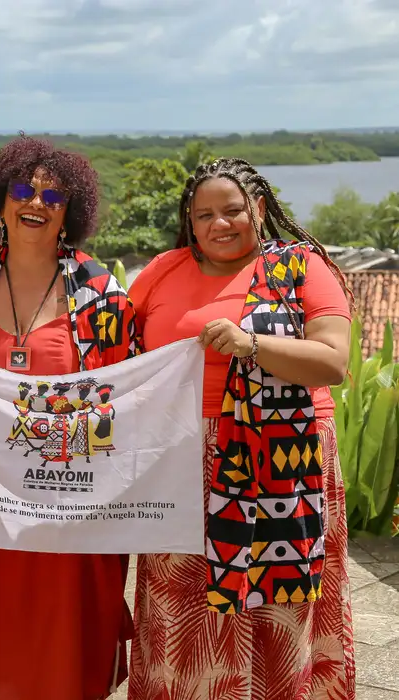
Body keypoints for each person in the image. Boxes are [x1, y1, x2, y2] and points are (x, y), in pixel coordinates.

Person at [0, 136, 138, 700]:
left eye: (52, 195)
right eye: (21, 189)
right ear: (1, 202)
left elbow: (125, 399)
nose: (35, 202)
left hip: (69, 507)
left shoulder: (103, 297)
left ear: (70, 212)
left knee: (68, 655)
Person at [125, 157, 355, 698]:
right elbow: (106, 340)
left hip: (279, 461)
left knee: (277, 607)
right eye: (203, 214)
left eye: (232, 210)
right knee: (183, 605)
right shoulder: (163, 269)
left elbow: (333, 362)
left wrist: (254, 345)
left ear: (259, 207)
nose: (218, 224)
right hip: (180, 459)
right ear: (189, 219)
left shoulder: (302, 267)